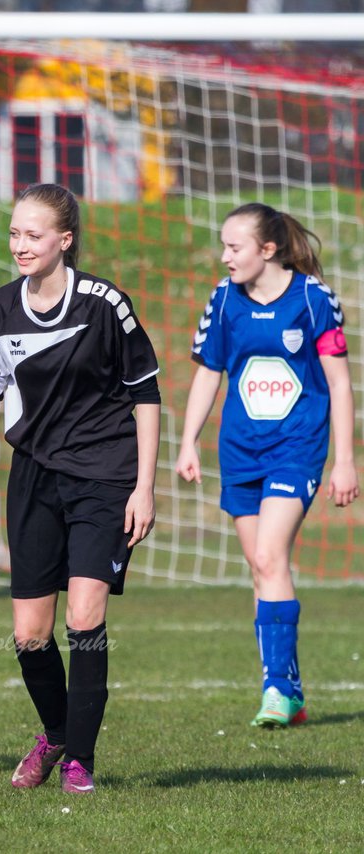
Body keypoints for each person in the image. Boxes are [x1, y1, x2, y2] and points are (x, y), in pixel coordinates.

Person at [0, 183, 160, 795]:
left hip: (104, 475)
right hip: (33, 477)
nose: (21, 245)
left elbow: (146, 395)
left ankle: (82, 762)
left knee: (84, 615)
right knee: (28, 634)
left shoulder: (104, 305)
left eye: (34, 235)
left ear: (64, 240)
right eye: (15, 233)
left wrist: (145, 487)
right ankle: (57, 736)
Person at [175, 202, 357, 728]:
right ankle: (289, 691)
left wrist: (344, 461)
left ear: (267, 249)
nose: (225, 257)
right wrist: (188, 441)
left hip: (297, 447)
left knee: (270, 555)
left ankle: (276, 689)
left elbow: (340, 383)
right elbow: (210, 373)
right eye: (225, 246)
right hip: (239, 450)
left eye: (235, 247)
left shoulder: (312, 298)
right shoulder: (223, 299)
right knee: (260, 566)